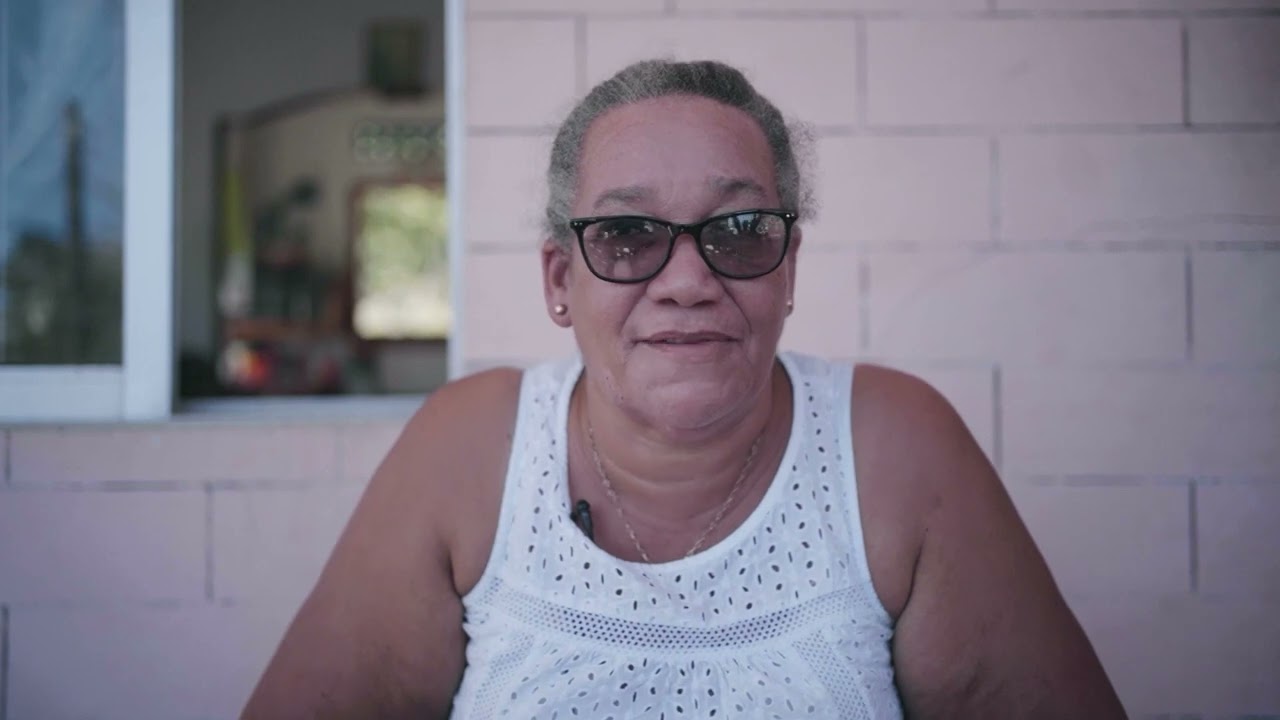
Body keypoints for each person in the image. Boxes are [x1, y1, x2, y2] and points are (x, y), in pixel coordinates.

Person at [241, 59, 1126, 719]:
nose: (688, 279)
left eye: (738, 230)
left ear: (787, 269)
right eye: (628, 235)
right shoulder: (469, 449)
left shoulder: (897, 447)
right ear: (560, 280)